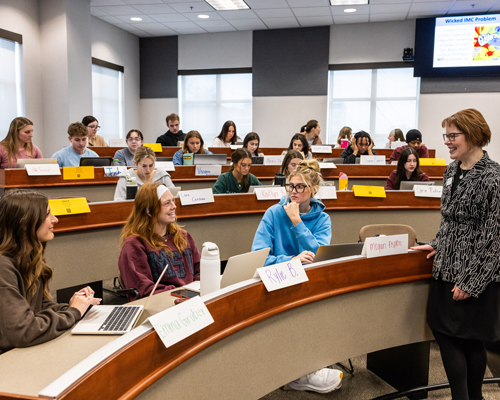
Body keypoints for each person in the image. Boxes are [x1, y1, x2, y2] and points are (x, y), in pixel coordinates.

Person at [413, 108, 500, 400]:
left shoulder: (493, 178)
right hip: (446, 265)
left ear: (473, 134)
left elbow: (494, 237)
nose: (447, 142)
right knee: (457, 337)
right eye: (446, 136)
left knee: (466, 339)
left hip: (473, 275)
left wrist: (471, 281)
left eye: (453, 136)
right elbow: (450, 219)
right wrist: (437, 242)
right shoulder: (451, 170)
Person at [251, 159, 342, 393]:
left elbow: (318, 256)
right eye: (290, 186)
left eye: (300, 187)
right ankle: (300, 371)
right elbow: (257, 257)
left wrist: (297, 221)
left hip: (311, 283)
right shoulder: (273, 213)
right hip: (278, 281)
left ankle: (306, 367)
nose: (293, 191)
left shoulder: (322, 219)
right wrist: (290, 261)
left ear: (313, 190)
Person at [0, 189, 100, 353]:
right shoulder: (3, 267)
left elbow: (39, 307)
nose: (55, 219)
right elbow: (23, 331)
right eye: (47, 214)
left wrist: (75, 307)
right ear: (24, 223)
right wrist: (73, 312)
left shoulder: (30, 256)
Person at [119, 182, 200, 300]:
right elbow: (144, 289)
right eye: (167, 203)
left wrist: (197, 288)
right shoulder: (134, 244)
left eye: (173, 201)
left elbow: (201, 269)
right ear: (149, 211)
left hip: (191, 298)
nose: (174, 206)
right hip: (162, 304)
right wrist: (183, 292)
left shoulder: (183, 236)